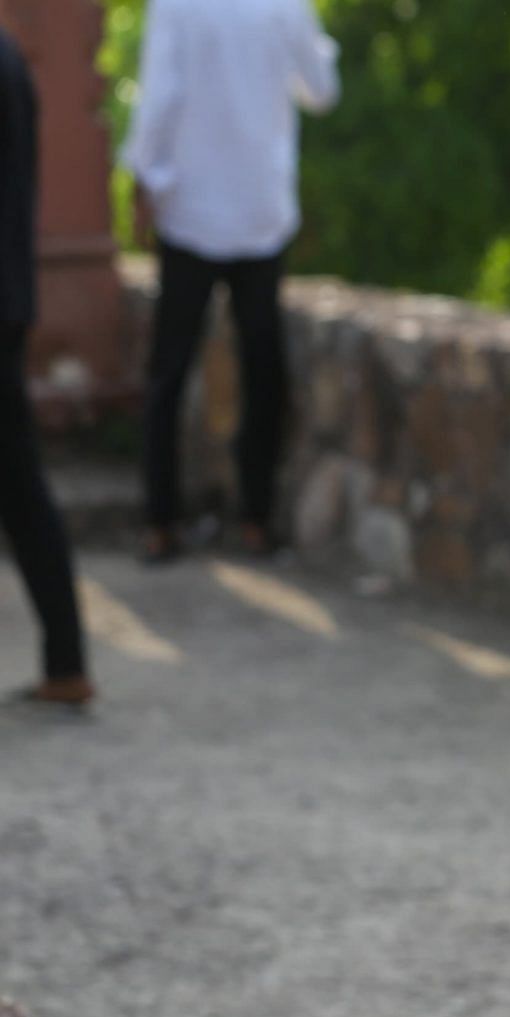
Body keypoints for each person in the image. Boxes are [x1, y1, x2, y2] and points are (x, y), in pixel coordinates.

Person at [120, 0, 338, 563]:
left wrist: (142, 180)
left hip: (190, 209)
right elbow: (322, 91)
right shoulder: (286, 7)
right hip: (259, 211)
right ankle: (256, 518)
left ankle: (160, 521)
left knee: (169, 370)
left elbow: (159, 98)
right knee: (262, 367)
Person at [0, 22, 88, 707]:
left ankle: (67, 663)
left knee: (21, 482)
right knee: (21, 483)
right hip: (10, 296)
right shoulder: (11, 60)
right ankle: (66, 661)